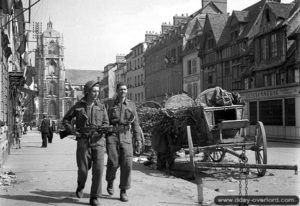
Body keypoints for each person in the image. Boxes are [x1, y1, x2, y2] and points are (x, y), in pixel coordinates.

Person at [62, 80, 109, 206]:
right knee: (83, 170)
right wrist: (72, 131)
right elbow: (66, 119)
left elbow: (106, 123)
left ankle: (95, 196)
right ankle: (80, 185)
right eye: (94, 91)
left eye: (97, 92)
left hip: (98, 141)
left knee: (98, 170)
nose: (96, 94)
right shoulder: (78, 106)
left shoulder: (101, 106)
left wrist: (104, 130)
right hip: (83, 141)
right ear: (87, 92)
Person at [105, 82, 142, 202]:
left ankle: (123, 190)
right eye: (121, 89)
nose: (123, 91)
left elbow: (136, 124)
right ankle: (110, 180)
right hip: (112, 135)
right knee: (113, 162)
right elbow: (104, 121)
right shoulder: (110, 104)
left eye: (125, 89)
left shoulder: (131, 105)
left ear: (127, 91)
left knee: (127, 164)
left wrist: (138, 139)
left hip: (126, 136)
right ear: (117, 91)